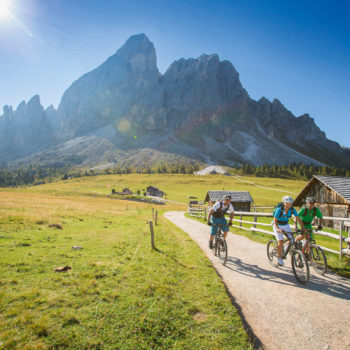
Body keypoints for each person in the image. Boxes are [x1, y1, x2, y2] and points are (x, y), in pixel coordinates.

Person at [273, 195, 306, 266]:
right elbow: (275, 221)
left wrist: (303, 228)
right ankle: (279, 258)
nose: (289, 204)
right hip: (278, 225)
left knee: (292, 240)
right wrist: (278, 229)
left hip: (286, 224)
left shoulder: (292, 209)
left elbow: (298, 219)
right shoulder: (279, 209)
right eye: (288, 203)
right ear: (284, 203)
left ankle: (284, 249)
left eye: (291, 203)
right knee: (280, 241)